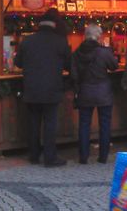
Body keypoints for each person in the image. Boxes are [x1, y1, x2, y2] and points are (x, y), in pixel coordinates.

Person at [14, 10, 71, 167]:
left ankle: (33, 155)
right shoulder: (60, 41)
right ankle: (50, 157)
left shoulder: (27, 41)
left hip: (31, 88)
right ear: (55, 24)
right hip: (52, 88)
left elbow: (18, 63)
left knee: (33, 122)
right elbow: (69, 64)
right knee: (50, 124)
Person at [71, 24, 118, 164]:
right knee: (105, 124)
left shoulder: (76, 53)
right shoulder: (103, 52)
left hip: (85, 91)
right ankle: (103, 156)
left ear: (85, 36)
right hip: (103, 91)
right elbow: (114, 66)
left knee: (84, 124)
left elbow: (73, 75)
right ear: (98, 36)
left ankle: (83, 157)